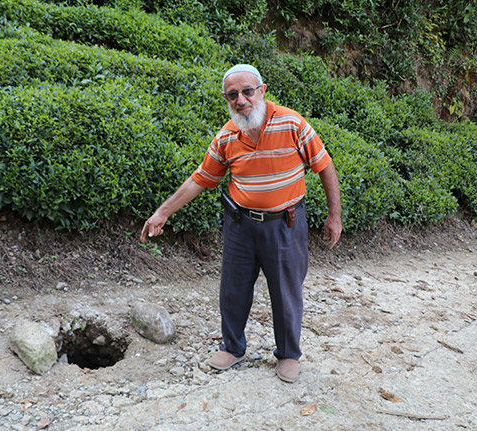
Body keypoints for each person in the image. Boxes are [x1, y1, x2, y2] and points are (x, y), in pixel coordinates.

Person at [140, 64, 342, 383]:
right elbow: (200, 179)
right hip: (240, 226)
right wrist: (162, 212)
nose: (241, 99)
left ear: (262, 90)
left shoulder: (292, 122)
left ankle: (288, 354)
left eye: (247, 91)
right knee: (232, 290)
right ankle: (233, 347)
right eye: (232, 95)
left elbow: (325, 166)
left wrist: (335, 216)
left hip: (285, 225)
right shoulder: (226, 136)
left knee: (287, 292)